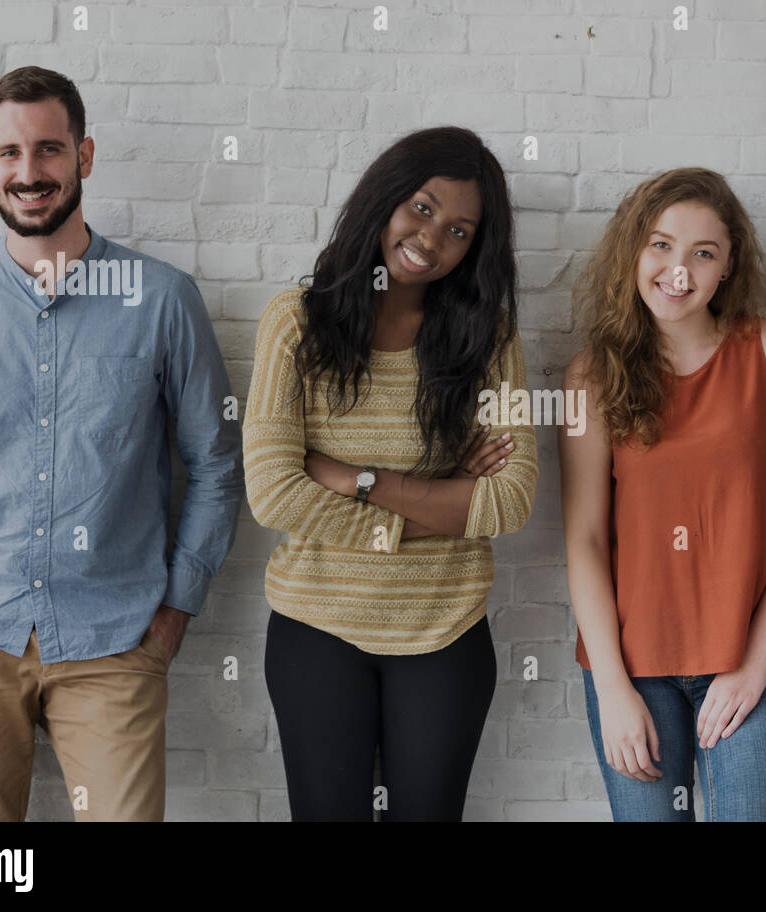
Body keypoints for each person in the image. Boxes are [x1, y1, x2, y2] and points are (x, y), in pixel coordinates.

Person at [0, 66, 244, 821]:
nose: (28, 173)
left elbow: (215, 462)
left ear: (84, 155)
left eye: (48, 150)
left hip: (114, 638)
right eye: (8, 153)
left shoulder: (162, 299)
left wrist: (179, 602)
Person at [244, 126, 538, 822]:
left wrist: (357, 478)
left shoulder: (490, 340)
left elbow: (511, 499)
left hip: (446, 633)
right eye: (424, 207)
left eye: (461, 230)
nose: (433, 238)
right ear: (385, 197)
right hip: (317, 630)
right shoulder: (295, 325)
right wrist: (442, 503)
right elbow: (273, 491)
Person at [559, 168, 766, 821]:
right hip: (631, 665)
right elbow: (586, 539)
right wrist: (614, 688)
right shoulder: (589, 376)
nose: (678, 269)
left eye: (702, 253)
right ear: (633, 252)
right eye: (660, 245)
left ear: (728, 266)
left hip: (751, 653)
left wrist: (756, 659)